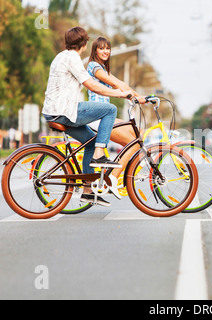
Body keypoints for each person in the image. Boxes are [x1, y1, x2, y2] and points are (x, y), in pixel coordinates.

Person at [42, 27, 134, 206]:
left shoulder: (61, 56)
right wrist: (120, 94)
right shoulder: (72, 58)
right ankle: (100, 154)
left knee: (90, 141)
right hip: (64, 111)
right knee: (110, 110)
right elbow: (92, 86)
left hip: (56, 111)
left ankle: (87, 192)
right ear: (85, 44)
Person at [85, 36, 146, 199]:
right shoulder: (94, 67)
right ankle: (113, 178)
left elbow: (122, 84)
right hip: (97, 117)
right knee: (133, 144)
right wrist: (131, 96)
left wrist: (141, 97)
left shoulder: (103, 68)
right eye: (101, 48)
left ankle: (124, 170)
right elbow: (115, 85)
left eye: (107, 48)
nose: (105, 51)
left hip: (104, 115)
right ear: (95, 50)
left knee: (138, 133)